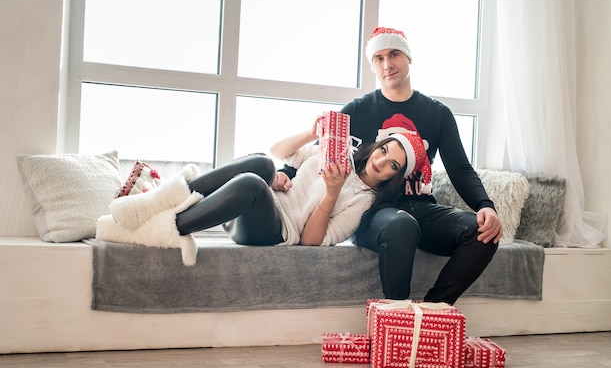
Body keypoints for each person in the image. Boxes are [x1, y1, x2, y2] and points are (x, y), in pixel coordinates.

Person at [272, 27, 503, 305]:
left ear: (408, 58)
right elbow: (320, 156)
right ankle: (395, 314)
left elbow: (461, 169)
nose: (387, 64)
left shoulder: (438, 113)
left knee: (484, 233)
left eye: (393, 54)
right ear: (373, 66)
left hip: (420, 207)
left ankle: (431, 312)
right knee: (400, 225)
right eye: (378, 58)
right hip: (370, 209)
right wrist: (283, 175)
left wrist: (485, 205)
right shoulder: (357, 110)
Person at [104, 115, 430, 253]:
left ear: (394, 177)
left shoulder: (364, 201)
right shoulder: (337, 153)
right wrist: (310, 134)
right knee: (262, 163)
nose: (382, 161)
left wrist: (331, 194)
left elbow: (312, 241)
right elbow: (279, 152)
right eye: (385, 151)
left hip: (274, 230)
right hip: (248, 208)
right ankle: (161, 200)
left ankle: (167, 226)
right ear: (377, 146)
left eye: (393, 165)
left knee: (252, 183)